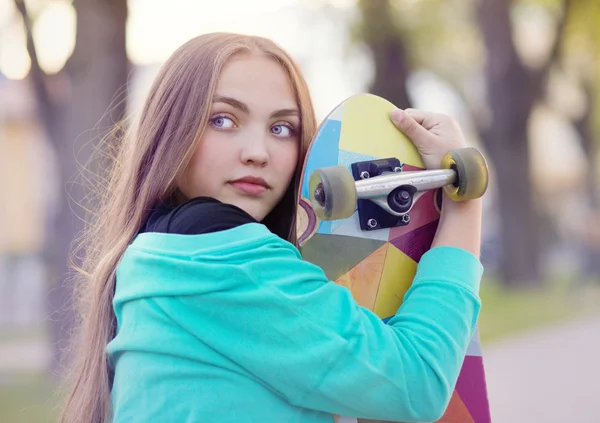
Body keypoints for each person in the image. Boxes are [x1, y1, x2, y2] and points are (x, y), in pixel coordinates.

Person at [60, 32, 483, 423]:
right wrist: (464, 200)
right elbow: (416, 384)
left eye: (282, 128)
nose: (258, 153)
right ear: (170, 133)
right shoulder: (225, 262)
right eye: (223, 119)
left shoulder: (158, 257)